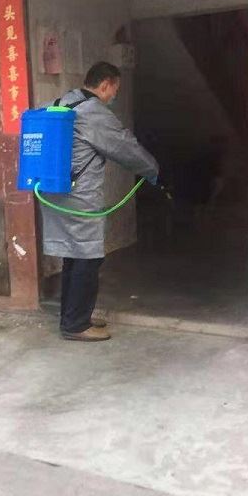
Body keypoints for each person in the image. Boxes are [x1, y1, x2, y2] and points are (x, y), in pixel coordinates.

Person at [41, 61, 159, 342]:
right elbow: (123, 146)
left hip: (56, 194)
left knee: (73, 256)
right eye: (115, 89)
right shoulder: (93, 112)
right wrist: (152, 168)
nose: (114, 95)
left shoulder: (63, 102)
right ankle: (76, 325)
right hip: (80, 198)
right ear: (105, 84)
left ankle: (72, 316)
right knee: (89, 257)